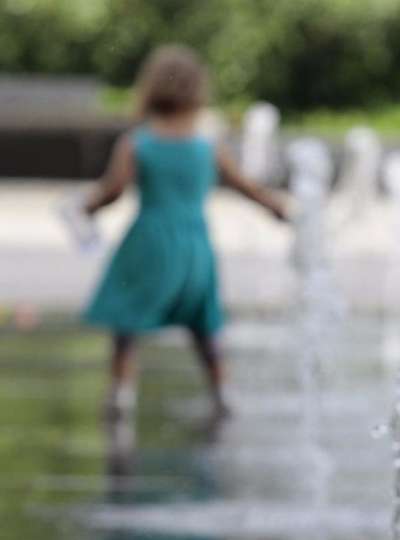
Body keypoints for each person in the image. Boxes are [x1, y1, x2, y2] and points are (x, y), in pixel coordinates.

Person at [83, 45, 287, 419]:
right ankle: (222, 391)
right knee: (203, 322)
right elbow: (245, 185)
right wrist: (275, 206)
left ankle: (121, 392)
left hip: (148, 242)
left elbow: (113, 190)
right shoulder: (207, 145)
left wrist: (87, 206)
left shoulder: (138, 142)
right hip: (195, 246)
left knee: (127, 321)